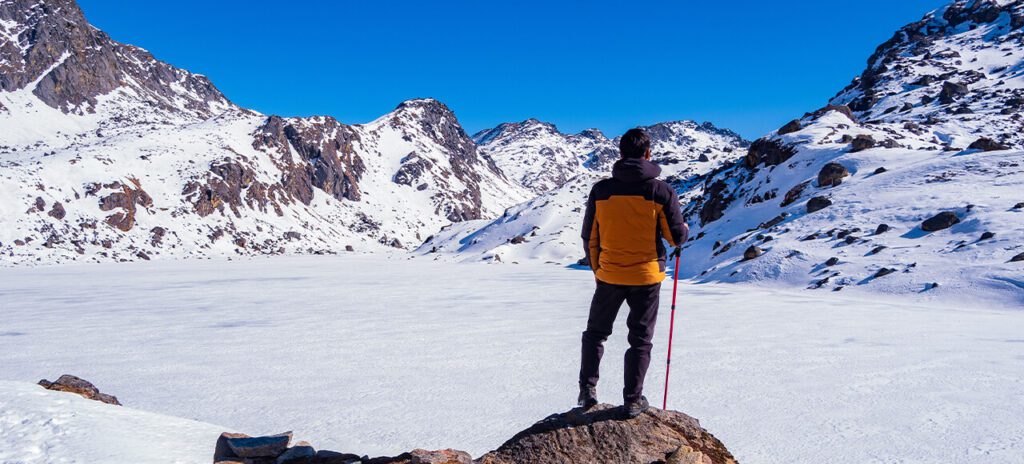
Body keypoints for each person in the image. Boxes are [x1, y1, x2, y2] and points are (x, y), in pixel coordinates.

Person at [578, 128, 689, 418]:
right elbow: (675, 236)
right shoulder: (660, 191)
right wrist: (684, 231)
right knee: (640, 340)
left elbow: (590, 235)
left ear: (621, 153)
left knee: (595, 333)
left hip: (610, 274)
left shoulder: (601, 190)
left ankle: (587, 390)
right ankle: (632, 400)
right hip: (646, 276)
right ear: (648, 153)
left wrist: (598, 269)